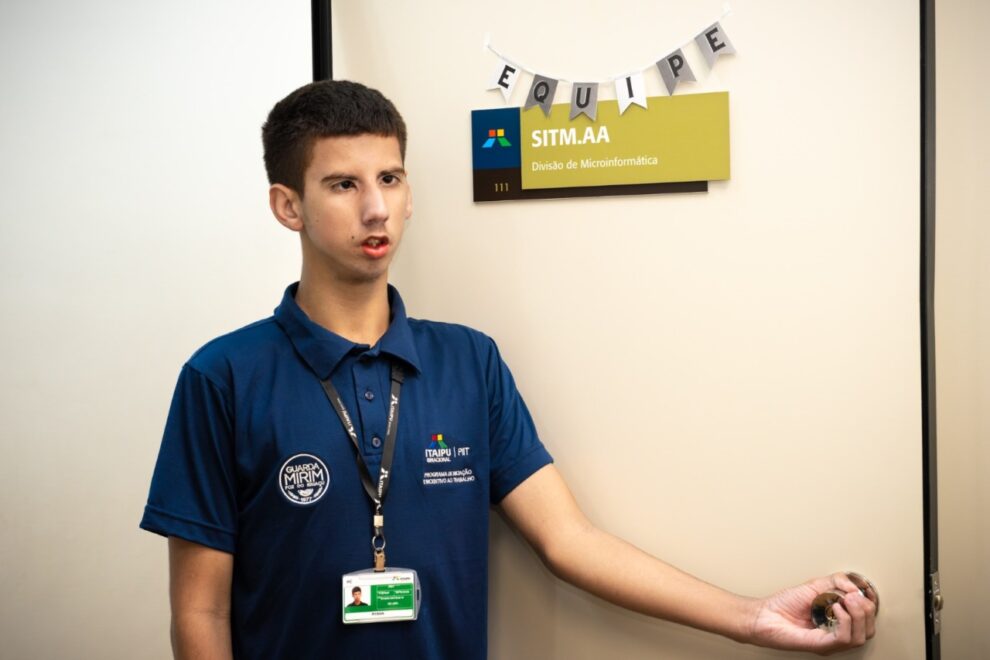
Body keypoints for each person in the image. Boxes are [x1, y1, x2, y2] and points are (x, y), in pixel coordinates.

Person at [140, 80, 876, 659]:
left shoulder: (469, 360)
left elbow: (571, 542)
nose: (376, 210)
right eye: (343, 185)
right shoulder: (223, 377)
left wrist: (753, 617)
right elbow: (199, 612)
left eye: (391, 179)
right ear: (287, 205)